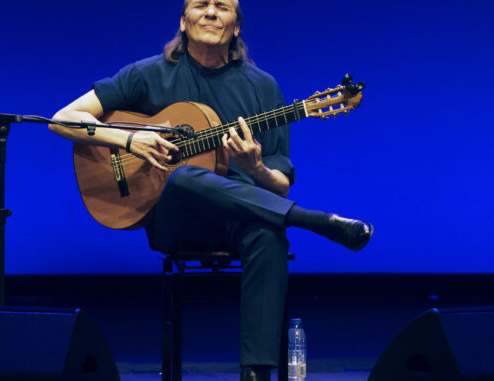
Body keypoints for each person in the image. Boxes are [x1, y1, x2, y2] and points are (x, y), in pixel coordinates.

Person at [49, 1, 372, 380]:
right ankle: (316, 220)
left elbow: (279, 187)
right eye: (200, 4)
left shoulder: (264, 88)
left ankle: (255, 374)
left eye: (223, 6)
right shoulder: (147, 74)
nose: (211, 12)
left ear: (236, 28)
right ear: (183, 21)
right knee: (183, 177)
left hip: (240, 215)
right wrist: (129, 139)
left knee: (269, 235)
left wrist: (255, 168)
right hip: (175, 220)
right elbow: (63, 119)